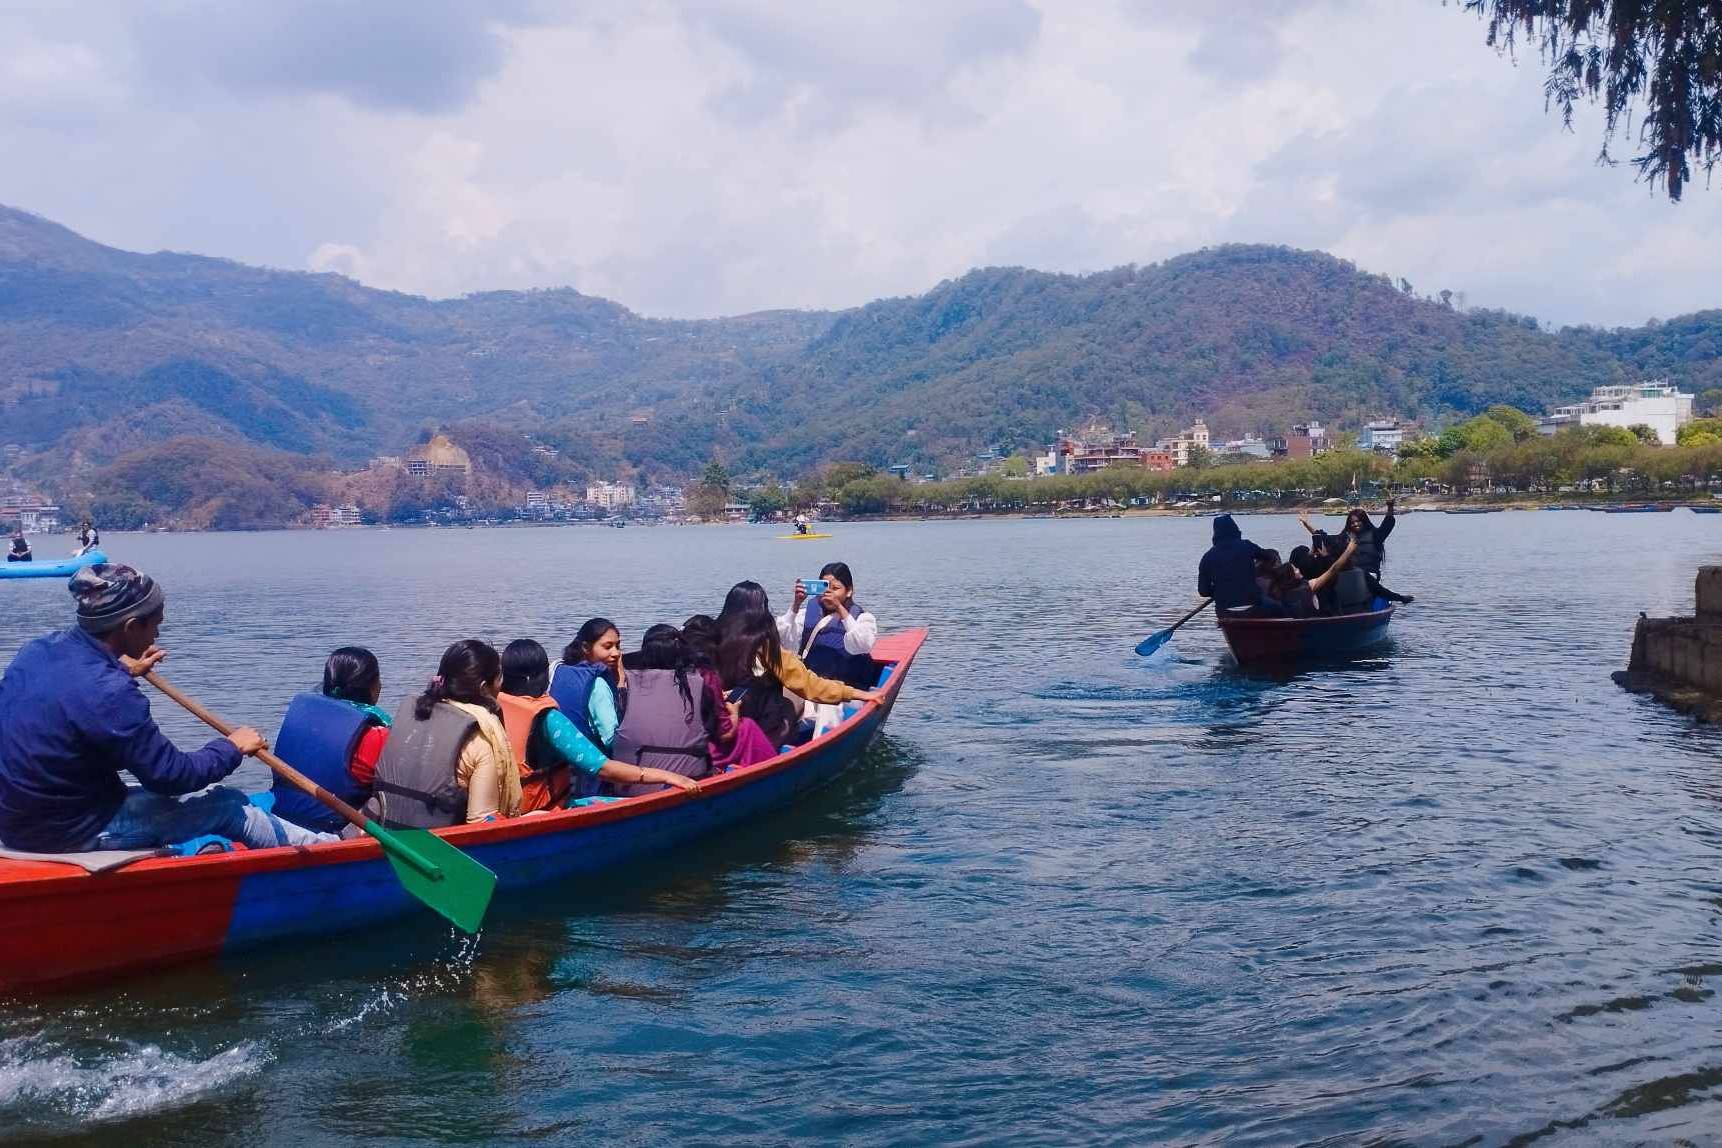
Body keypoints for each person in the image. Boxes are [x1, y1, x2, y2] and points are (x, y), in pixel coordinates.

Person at [0, 564, 337, 854]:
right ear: (131, 627)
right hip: (68, 831)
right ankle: (335, 850)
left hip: (19, 819)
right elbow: (173, 777)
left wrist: (124, 669)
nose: (158, 633)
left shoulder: (38, 651)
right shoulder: (109, 692)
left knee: (206, 796)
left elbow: (70, 707)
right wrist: (233, 747)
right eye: (155, 625)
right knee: (229, 805)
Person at [496, 639, 696, 811]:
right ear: (541, 675)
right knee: (629, 803)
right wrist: (667, 776)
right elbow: (602, 768)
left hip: (510, 807)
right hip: (545, 809)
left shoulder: (496, 705)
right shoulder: (548, 719)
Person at [359, 639, 521, 829]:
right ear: (484, 688)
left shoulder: (415, 713)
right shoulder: (480, 740)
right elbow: (481, 821)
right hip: (436, 848)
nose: (502, 684)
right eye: (500, 677)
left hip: (387, 831)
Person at [717, 581, 880, 747]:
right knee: (793, 700)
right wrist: (859, 694)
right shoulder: (764, 644)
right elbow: (809, 685)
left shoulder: (713, 637)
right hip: (758, 720)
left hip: (721, 716)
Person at [268, 647, 392, 834]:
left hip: (283, 816)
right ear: (374, 686)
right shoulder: (375, 737)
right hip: (332, 831)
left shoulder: (301, 718)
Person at [608, 626, 716, 796]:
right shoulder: (699, 684)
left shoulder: (626, 684)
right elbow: (714, 730)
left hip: (630, 789)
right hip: (692, 783)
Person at [684, 614, 779, 768]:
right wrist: (734, 710)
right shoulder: (707, 676)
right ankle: (769, 770)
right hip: (702, 750)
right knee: (747, 727)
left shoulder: (671, 671)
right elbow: (726, 733)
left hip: (678, 741)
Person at [549, 618, 627, 797]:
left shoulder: (558, 670)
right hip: (592, 775)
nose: (616, 653)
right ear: (585, 648)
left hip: (563, 769)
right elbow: (611, 738)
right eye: (607, 647)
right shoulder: (598, 684)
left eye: (618, 646)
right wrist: (621, 685)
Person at [778, 562, 880, 689]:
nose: (828, 593)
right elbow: (785, 643)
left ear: (849, 591)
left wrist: (839, 607)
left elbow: (862, 645)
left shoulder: (863, 619)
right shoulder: (805, 615)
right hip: (811, 689)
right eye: (824, 588)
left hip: (847, 691)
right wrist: (796, 605)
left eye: (835, 588)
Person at [1299, 507, 1413, 604]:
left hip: (1370, 573)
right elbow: (1325, 538)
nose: (1355, 524)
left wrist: (1390, 507)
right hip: (1350, 572)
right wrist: (1307, 525)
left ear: (1364, 521)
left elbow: (1387, 525)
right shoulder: (1345, 536)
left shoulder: (1375, 535)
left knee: (1363, 574)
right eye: (1352, 522)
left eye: (1358, 521)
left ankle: (1398, 598)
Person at [1196, 514, 1272, 616]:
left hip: (1224, 612)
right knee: (1280, 607)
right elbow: (1268, 556)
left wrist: (1220, 588)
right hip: (1253, 608)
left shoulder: (1207, 558)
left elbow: (1203, 591)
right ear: (1235, 529)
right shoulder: (1247, 546)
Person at [1274, 537, 1359, 617]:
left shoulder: (1277, 590)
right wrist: (1349, 550)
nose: (1298, 570)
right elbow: (1333, 570)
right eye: (1295, 570)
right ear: (1291, 576)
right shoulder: (1308, 586)